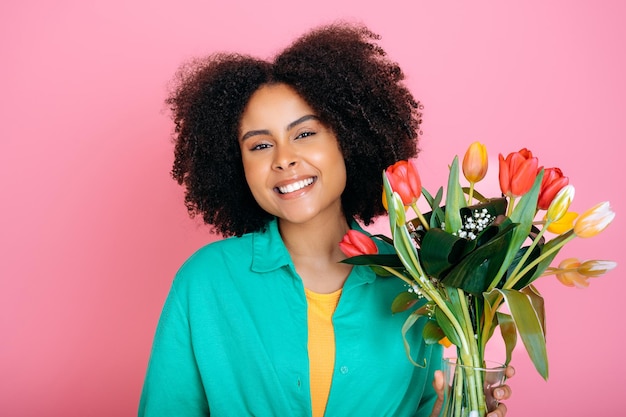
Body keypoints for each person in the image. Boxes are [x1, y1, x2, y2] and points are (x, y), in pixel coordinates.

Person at [139, 23, 514, 417]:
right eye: (261, 145)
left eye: (304, 134)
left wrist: (458, 408)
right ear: (238, 165)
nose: (283, 158)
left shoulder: (417, 280)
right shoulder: (205, 281)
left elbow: (427, 405)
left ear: (348, 140)